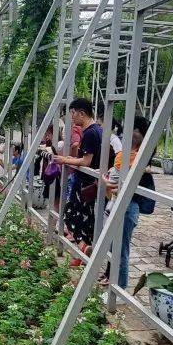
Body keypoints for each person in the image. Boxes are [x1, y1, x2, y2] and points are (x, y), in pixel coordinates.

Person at [105, 119, 156, 289]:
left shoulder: (141, 156)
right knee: (113, 247)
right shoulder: (125, 151)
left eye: (134, 129)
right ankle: (114, 283)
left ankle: (120, 289)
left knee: (121, 249)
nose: (129, 132)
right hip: (114, 202)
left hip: (128, 206)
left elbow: (130, 184)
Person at [58, 97, 104, 249]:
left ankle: (83, 248)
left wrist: (65, 160)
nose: (72, 117)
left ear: (82, 113)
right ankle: (83, 250)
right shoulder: (97, 130)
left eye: (73, 113)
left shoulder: (90, 133)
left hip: (84, 183)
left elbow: (86, 161)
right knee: (85, 218)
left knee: (72, 215)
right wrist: (71, 158)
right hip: (89, 183)